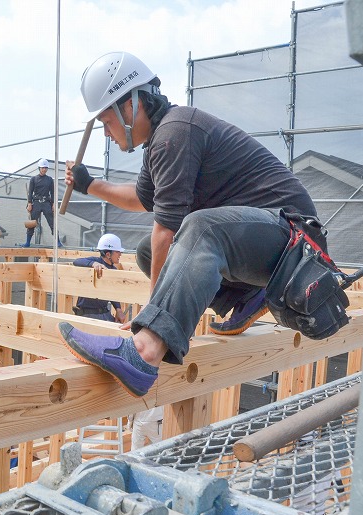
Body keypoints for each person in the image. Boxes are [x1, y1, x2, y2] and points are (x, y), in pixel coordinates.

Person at [56, 51, 320, 398]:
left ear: (131, 105)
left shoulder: (175, 133)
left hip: (294, 240)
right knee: (151, 252)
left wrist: (148, 320)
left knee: (197, 229)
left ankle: (143, 353)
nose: (106, 133)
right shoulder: (162, 142)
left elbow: (166, 227)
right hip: (267, 246)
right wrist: (91, 185)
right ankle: (247, 297)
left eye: (107, 121)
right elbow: (141, 199)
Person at [72, 234, 127, 323]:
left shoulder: (113, 269)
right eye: (117, 252)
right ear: (108, 254)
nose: (120, 254)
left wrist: (118, 309)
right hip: (87, 314)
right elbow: (76, 261)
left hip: (103, 312)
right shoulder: (95, 261)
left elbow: (113, 293)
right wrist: (93, 264)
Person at [23, 158, 62, 248]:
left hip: (46, 203)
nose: (44, 169)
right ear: (39, 168)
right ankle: (28, 242)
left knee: (52, 223)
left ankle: (58, 242)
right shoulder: (33, 179)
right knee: (32, 222)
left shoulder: (49, 180)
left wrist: (53, 204)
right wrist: (29, 203)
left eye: (46, 168)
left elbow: (52, 193)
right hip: (36, 202)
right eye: (42, 168)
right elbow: (30, 192)